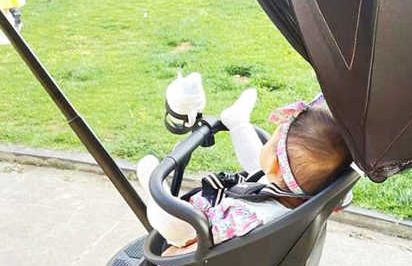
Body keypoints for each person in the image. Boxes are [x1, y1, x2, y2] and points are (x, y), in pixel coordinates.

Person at [136, 84, 351, 254]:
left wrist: (179, 248)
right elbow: (266, 170)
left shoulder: (248, 219)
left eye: (273, 140)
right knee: (260, 169)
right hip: (261, 210)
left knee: (179, 225)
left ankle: (152, 184)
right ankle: (238, 123)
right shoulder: (305, 196)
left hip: (201, 239)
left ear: (275, 162)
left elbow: (202, 242)